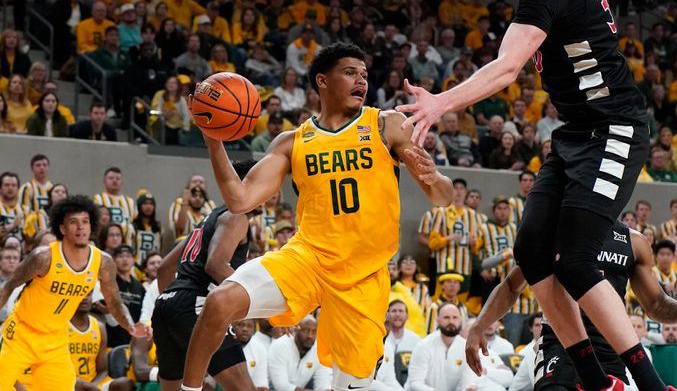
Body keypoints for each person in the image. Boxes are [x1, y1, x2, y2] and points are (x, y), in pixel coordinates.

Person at [399, 0, 665, 391]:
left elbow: (505, 69)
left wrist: (441, 103)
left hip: (615, 128)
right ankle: (595, 381)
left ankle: (648, 384)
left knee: (579, 257)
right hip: (576, 133)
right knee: (532, 253)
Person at [180, 43, 454, 391]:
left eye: (365, 75)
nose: (361, 81)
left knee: (351, 385)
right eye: (350, 72)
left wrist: (435, 178)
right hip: (308, 258)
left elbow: (441, 198)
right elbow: (239, 199)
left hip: (364, 275)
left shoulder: (387, 125)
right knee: (218, 303)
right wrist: (213, 140)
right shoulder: (292, 142)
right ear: (322, 81)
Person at [466, 219, 677, 391]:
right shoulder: (555, 232)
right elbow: (511, 286)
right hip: (560, 343)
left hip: (610, 347)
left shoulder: (633, 242)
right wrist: (479, 325)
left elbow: (656, 304)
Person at [0, 195, 150, 390]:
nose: (81, 227)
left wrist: (130, 326)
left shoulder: (102, 263)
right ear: (62, 229)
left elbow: (114, 302)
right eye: (73, 222)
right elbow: (8, 286)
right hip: (21, 333)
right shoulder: (43, 257)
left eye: (85, 222)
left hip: (55, 339)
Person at [152, 160, 260, 391]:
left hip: (166, 304)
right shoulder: (236, 217)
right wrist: (256, 302)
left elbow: (164, 268)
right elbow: (216, 265)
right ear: (246, 185)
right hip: (195, 304)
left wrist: (176, 307)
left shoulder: (208, 218)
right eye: (264, 183)